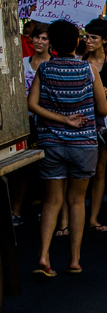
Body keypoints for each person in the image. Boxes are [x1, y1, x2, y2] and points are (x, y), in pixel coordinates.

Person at [28, 20, 107, 277]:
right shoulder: (89, 70)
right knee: (76, 201)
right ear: (77, 42)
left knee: (52, 200)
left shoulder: (45, 69)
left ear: (51, 42)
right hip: (83, 143)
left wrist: (60, 119)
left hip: (51, 141)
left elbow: (32, 104)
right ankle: (74, 259)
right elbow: (103, 109)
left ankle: (44, 255)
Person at [82, 18, 107, 233]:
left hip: (103, 122)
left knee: (100, 171)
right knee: (80, 172)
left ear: (105, 40)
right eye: (87, 36)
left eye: (93, 37)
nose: (88, 41)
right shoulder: (79, 61)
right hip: (82, 122)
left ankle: (94, 218)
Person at [11, 24, 51, 227]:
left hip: (47, 123)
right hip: (24, 123)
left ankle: (46, 210)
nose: (39, 42)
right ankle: (16, 211)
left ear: (50, 43)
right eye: (36, 37)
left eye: (44, 38)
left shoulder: (53, 65)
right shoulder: (22, 64)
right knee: (21, 169)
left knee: (48, 169)